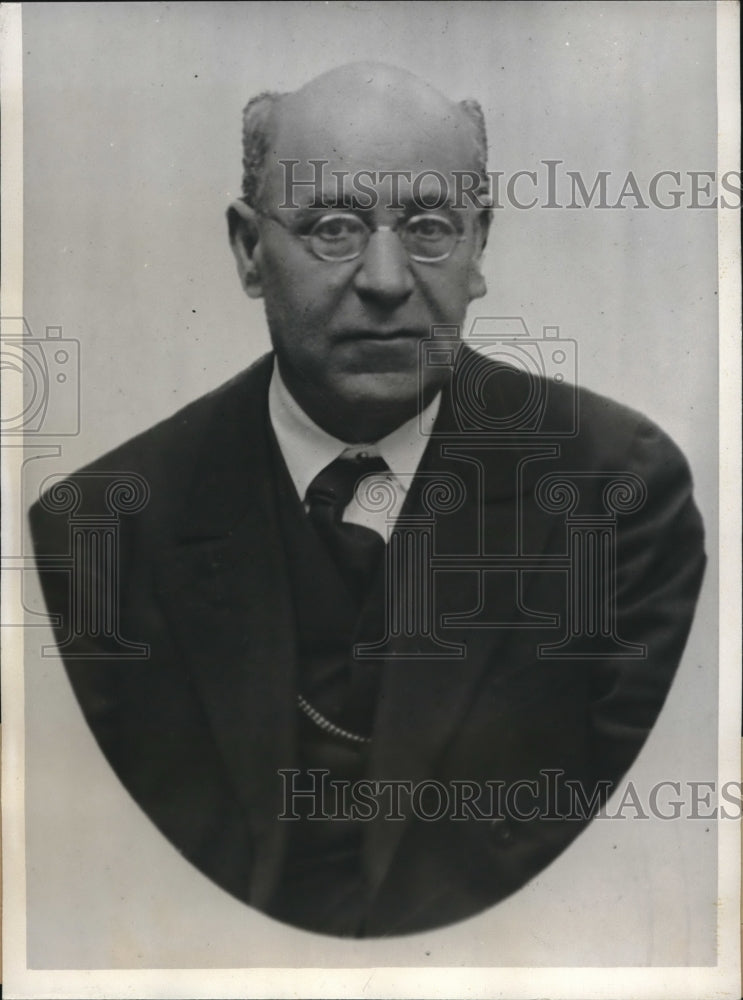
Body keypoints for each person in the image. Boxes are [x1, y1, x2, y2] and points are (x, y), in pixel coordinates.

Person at [30, 62, 706, 938]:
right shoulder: (104, 527)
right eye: (333, 227)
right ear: (246, 249)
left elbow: (646, 869)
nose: (386, 278)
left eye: (429, 227)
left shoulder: (614, 493)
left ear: (479, 247)